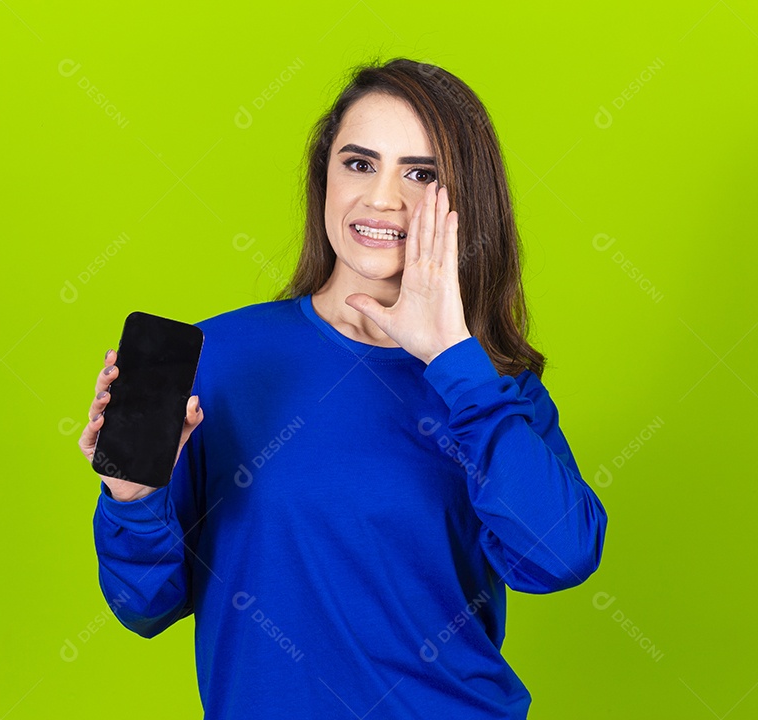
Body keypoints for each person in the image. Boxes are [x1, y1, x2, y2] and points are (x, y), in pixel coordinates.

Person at [79, 57, 608, 720]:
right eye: (359, 163)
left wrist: (451, 358)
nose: (382, 198)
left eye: (421, 173)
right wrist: (133, 499)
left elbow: (559, 558)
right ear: (324, 176)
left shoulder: (488, 386)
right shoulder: (223, 358)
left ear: (464, 201)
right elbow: (145, 606)